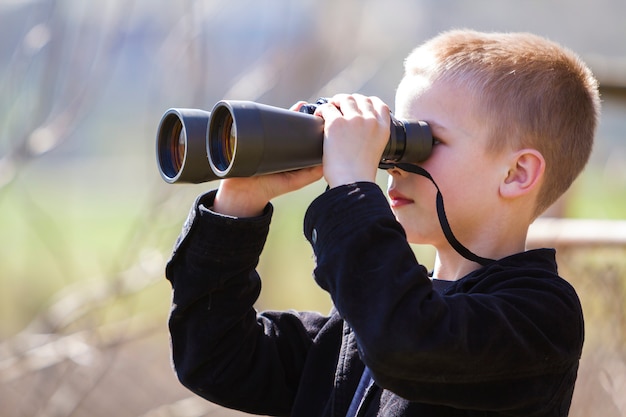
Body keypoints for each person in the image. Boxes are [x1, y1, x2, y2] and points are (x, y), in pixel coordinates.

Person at [164, 29, 600, 416]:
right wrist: (239, 203)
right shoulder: (358, 329)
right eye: (395, 137)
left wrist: (352, 186)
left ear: (516, 174)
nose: (392, 164)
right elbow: (214, 357)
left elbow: (408, 341)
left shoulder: (541, 319)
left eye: (423, 140)